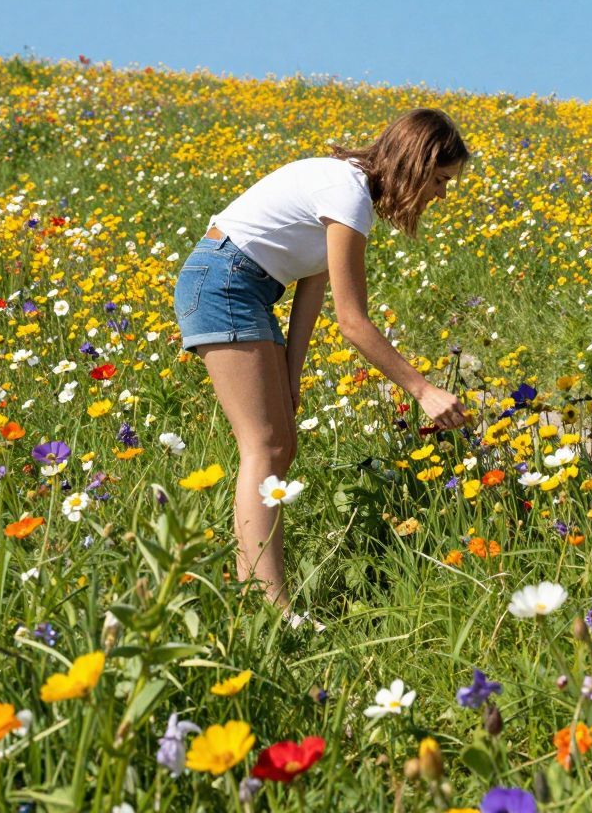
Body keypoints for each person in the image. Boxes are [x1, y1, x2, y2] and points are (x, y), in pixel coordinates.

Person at [173, 108, 472, 608]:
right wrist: (423, 390)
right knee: (264, 448)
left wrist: (291, 378)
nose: (441, 194)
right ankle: (271, 606)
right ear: (416, 165)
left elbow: (313, 288)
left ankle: (257, 593)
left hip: (245, 286)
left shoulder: (348, 193)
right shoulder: (347, 193)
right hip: (225, 283)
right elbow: (352, 323)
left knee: (279, 445)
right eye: (440, 180)